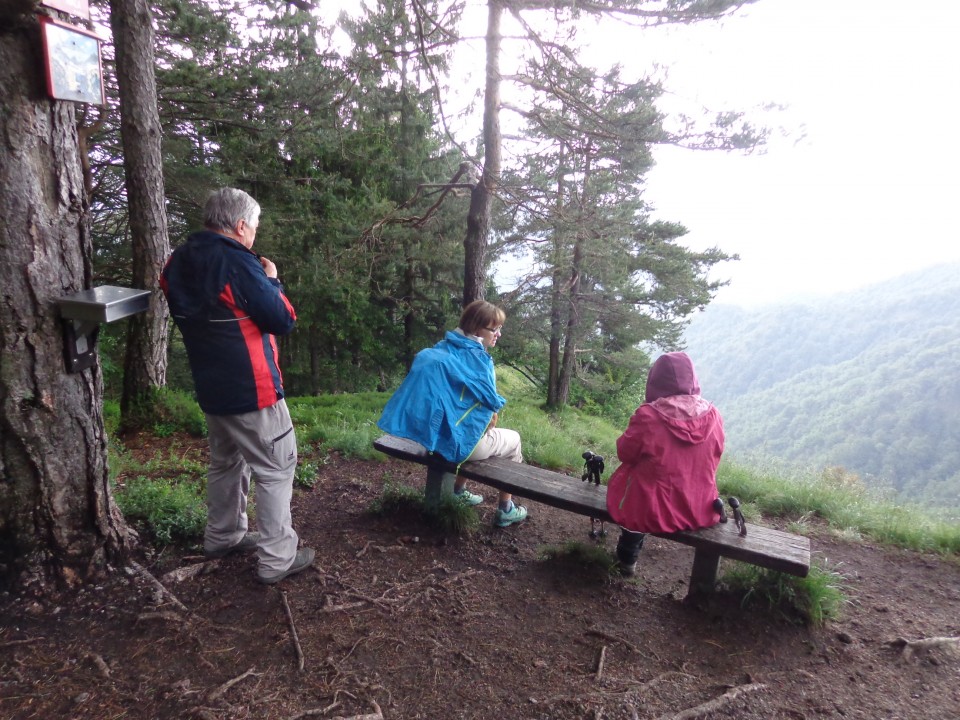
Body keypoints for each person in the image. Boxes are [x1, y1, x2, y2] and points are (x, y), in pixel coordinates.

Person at [160, 188, 315, 584]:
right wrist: (272, 281)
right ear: (241, 225)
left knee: (226, 462)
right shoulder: (237, 263)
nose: (255, 235)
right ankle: (278, 559)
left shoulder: (177, 261)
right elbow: (281, 319)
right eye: (255, 227)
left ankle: (223, 536)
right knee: (278, 467)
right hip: (253, 389)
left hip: (211, 387)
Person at [377, 300, 529, 527]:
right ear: (477, 329)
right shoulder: (479, 360)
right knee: (513, 440)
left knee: (469, 427)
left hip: (429, 438)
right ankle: (506, 508)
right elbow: (488, 411)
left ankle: (458, 490)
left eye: (499, 328)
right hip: (453, 446)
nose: (498, 334)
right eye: (494, 329)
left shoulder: (439, 349)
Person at [605, 352, 725, 576]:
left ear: (656, 379)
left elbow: (625, 453)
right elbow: (715, 456)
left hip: (653, 510)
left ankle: (627, 558)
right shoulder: (714, 415)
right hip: (700, 506)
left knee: (637, 492)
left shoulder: (649, 416)